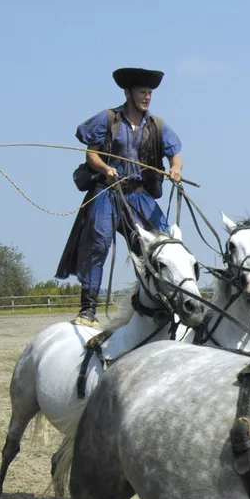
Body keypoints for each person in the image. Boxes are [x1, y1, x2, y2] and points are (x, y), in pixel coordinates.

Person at [55, 67, 183, 327]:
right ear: (128, 93)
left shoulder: (157, 125)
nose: (147, 97)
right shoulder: (108, 119)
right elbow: (91, 155)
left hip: (139, 195)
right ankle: (88, 310)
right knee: (97, 244)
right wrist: (105, 168)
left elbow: (175, 156)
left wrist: (175, 170)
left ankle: (166, 302)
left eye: (149, 93)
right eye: (142, 92)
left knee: (163, 240)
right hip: (107, 192)